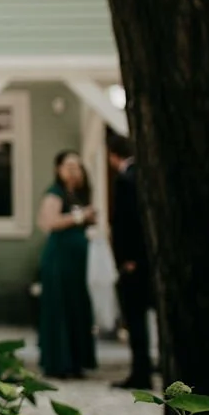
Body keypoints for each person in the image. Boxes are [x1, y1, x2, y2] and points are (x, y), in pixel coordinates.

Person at [36, 150, 98, 380]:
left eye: (77, 166)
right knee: (59, 305)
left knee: (77, 305)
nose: (73, 171)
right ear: (58, 169)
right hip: (59, 259)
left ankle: (77, 360)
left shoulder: (79, 195)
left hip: (78, 261)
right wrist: (80, 217)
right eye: (69, 166)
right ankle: (58, 361)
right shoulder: (54, 194)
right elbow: (47, 222)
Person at [107, 133, 154, 390]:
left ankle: (141, 371)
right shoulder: (146, 175)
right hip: (149, 260)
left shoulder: (126, 180)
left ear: (112, 154)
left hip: (135, 262)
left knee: (136, 320)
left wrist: (127, 259)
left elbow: (127, 224)